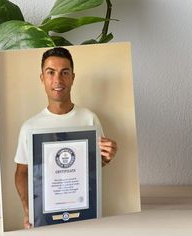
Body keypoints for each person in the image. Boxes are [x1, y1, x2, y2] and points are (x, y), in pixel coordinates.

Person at [14, 47, 118, 229]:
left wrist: (107, 156)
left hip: (86, 212)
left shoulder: (89, 119)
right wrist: (28, 210)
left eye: (64, 72)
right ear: (42, 78)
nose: (58, 80)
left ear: (72, 77)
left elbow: (95, 163)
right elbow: (22, 173)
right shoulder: (30, 127)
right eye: (51, 72)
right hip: (44, 217)